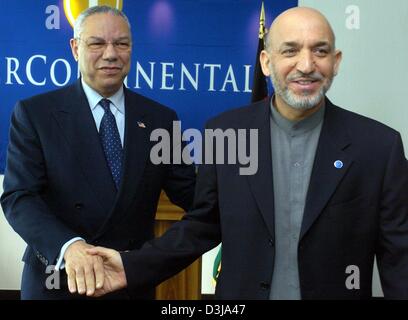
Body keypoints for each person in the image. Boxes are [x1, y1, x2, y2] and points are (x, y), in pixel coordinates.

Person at [88, 7, 408, 299]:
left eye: (320, 51)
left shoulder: (380, 148)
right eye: (290, 50)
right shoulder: (226, 133)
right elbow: (202, 226)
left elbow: (399, 259)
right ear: (266, 62)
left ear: (335, 61)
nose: (306, 65)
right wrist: (131, 266)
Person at [0, 6, 195, 300]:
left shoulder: (160, 120)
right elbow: (19, 197)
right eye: (97, 43)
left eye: (121, 43)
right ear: (76, 48)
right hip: (57, 279)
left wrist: (248, 199)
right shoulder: (35, 114)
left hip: (128, 282)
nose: (111, 54)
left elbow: (191, 192)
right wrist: (70, 247)